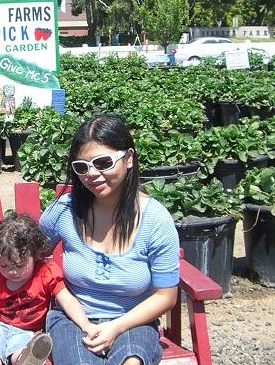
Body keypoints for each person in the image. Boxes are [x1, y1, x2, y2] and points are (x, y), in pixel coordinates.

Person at [40, 113, 180, 365]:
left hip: (132, 320)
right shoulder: (64, 210)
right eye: (81, 167)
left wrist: (116, 327)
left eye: (103, 162)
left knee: (133, 361)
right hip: (73, 320)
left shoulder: (155, 219)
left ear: (128, 158)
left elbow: (166, 296)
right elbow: (30, 253)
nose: (91, 174)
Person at [0, 212, 94, 365]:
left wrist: (85, 324)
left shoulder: (46, 274)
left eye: (20, 265)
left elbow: (67, 301)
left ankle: (25, 360)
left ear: (34, 254)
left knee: (22, 354)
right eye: (4, 266)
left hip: (26, 331)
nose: (12, 271)